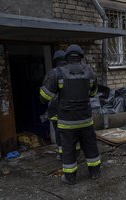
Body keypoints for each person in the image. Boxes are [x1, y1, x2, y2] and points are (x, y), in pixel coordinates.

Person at [40, 44, 101, 185]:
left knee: (68, 149)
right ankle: (95, 172)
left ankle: (70, 178)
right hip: (86, 119)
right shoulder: (90, 72)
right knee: (90, 145)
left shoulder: (57, 73)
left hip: (67, 122)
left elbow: (44, 97)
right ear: (81, 56)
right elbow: (93, 93)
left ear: (67, 57)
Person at [43, 50, 81, 161]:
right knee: (74, 133)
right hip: (72, 111)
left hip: (55, 111)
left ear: (55, 61)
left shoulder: (52, 73)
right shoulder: (74, 73)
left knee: (60, 135)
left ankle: (62, 155)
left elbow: (45, 96)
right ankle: (77, 153)